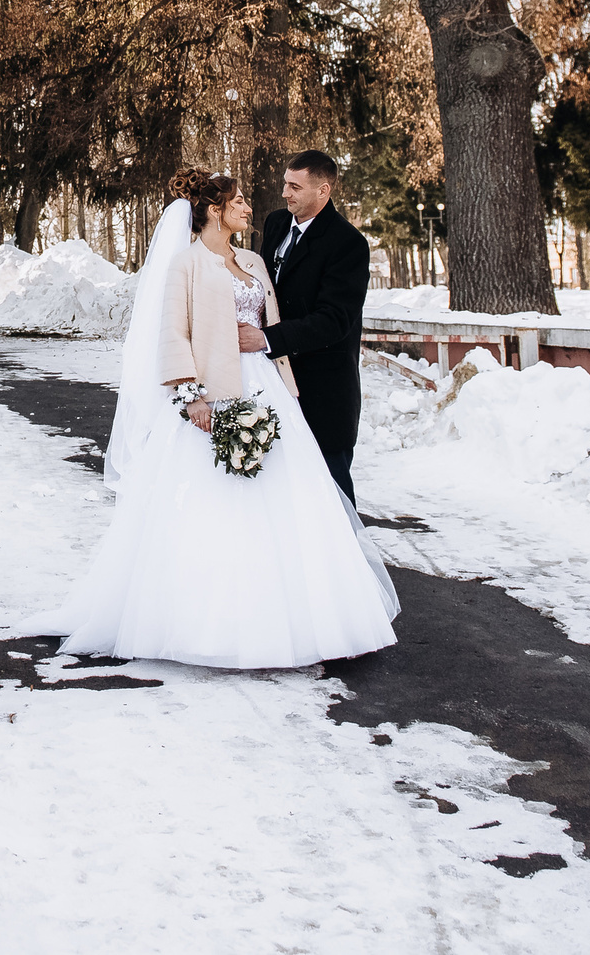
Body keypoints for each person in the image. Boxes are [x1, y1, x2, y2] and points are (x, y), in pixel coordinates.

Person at [30, 168, 397, 670]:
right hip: (214, 392)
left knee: (288, 495)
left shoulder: (252, 260)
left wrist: (274, 357)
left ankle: (298, 616)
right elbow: (173, 336)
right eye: (239, 201)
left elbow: (275, 322)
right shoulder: (186, 265)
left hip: (270, 387)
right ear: (214, 210)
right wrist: (190, 396)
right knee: (216, 500)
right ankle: (212, 622)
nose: (252, 207)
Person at [255, 150, 372, 504]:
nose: (285, 193)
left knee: (331, 494)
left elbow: (334, 320)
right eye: (285, 184)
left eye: (295, 187)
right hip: (274, 384)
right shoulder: (276, 224)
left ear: (323, 191)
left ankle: (350, 559)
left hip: (323, 391)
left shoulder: (348, 244)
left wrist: (265, 339)